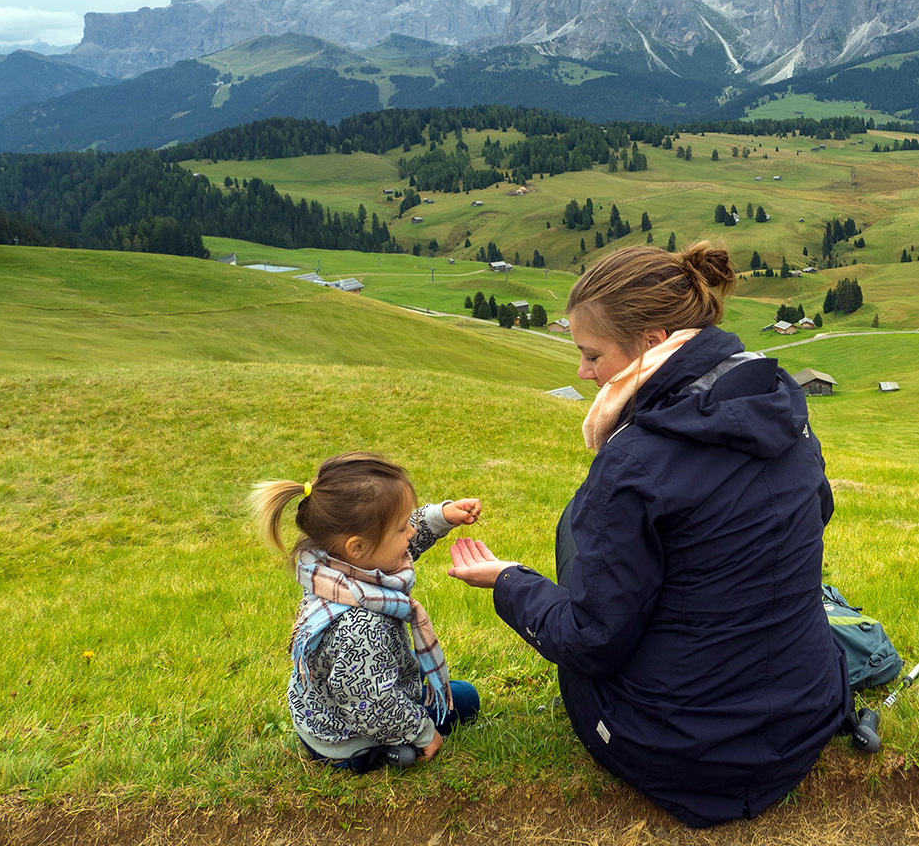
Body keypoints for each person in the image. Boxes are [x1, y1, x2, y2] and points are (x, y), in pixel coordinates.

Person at [447, 243, 847, 827]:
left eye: (592, 355)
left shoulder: (634, 461)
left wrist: (509, 581)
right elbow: (819, 511)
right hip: (807, 714)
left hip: (682, 755)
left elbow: (592, 642)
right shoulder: (777, 398)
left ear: (653, 342)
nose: (583, 373)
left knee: (578, 528)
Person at [251, 451, 484, 773]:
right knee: (466, 699)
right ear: (357, 547)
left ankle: (400, 710)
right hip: (346, 733)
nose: (410, 533)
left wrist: (441, 516)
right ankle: (378, 751)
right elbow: (370, 704)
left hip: (325, 703)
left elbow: (395, 547)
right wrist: (422, 732)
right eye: (402, 528)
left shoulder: (330, 568)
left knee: (416, 675)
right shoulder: (362, 626)